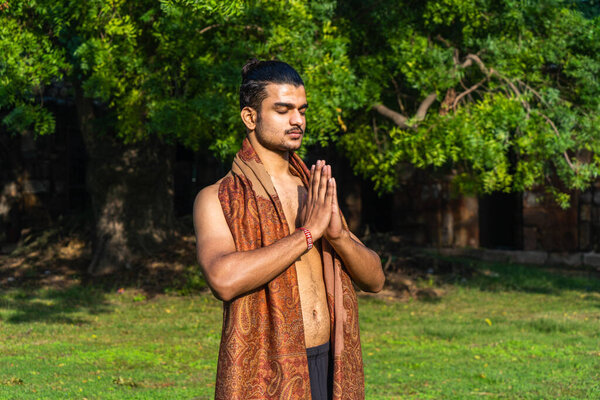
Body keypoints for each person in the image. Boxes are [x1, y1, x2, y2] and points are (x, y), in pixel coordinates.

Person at [193, 59, 385, 400]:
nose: (297, 120)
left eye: (301, 110)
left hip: (331, 363)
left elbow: (375, 279)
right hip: (267, 371)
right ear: (250, 117)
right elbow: (223, 279)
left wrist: (338, 235)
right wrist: (308, 234)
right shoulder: (217, 198)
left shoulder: (313, 189)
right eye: (283, 110)